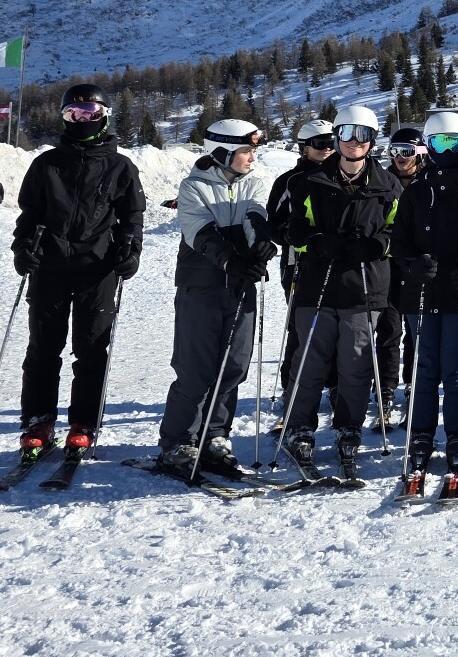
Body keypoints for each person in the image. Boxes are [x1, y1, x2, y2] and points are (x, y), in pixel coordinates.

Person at [12, 83, 145, 454]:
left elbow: (132, 217)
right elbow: (29, 215)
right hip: (49, 266)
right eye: (74, 113)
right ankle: (38, 419)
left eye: (91, 113)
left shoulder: (120, 167)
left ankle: (84, 421)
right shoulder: (46, 164)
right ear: (64, 118)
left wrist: (130, 251)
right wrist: (23, 249)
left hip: (96, 269)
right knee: (43, 348)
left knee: (91, 349)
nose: (82, 120)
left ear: (105, 117)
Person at [278, 104, 402, 480]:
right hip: (317, 285)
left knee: (355, 364)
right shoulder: (310, 181)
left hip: (365, 288)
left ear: (372, 140)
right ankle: (299, 427)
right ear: (337, 137)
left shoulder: (388, 185)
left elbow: (399, 231)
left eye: (362, 135)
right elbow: (291, 228)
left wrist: (377, 245)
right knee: (309, 362)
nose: (353, 142)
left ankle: (349, 427)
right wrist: (317, 242)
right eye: (346, 133)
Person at [157, 119, 274, 481]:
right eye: (245, 151)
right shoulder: (193, 186)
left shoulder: (253, 182)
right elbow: (201, 234)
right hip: (201, 286)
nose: (252, 158)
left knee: (233, 366)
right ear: (222, 152)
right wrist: (232, 262)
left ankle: (214, 436)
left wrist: (260, 246)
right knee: (196, 368)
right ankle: (178, 442)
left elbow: (255, 216)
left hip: (239, 288)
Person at [395, 110, 458, 493]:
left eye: (453, 142)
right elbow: (399, 240)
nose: (446, 149)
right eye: (438, 142)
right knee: (424, 365)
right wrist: (411, 263)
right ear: (428, 145)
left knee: (455, 366)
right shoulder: (415, 191)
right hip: (420, 292)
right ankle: (421, 431)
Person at [270, 118, 337, 404]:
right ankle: (292, 385)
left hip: (336, 261)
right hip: (298, 263)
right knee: (301, 326)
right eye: (319, 144)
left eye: (331, 143)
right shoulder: (290, 181)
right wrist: (292, 235)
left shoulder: (343, 175)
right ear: (304, 147)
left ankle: (336, 385)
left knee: (338, 323)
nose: (326, 149)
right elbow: (273, 224)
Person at [372, 126, 427, 426]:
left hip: (417, 266)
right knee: (389, 329)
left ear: (419, 154)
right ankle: (385, 387)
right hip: (388, 265)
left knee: (416, 330)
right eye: (394, 151)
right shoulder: (381, 180)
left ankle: (413, 384)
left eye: (406, 151)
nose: (400, 158)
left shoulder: (429, 181)